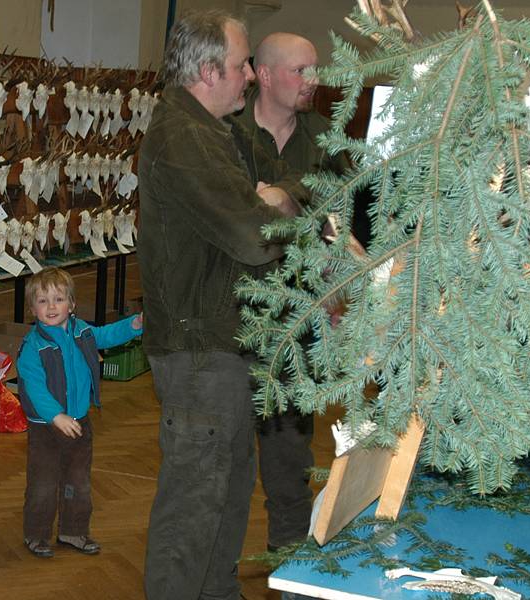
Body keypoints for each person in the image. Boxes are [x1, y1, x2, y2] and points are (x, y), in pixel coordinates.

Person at [137, 10, 307, 600]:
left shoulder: (215, 132)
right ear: (209, 71)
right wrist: (277, 210)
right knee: (192, 510)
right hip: (198, 351)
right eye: (241, 68)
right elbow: (252, 238)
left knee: (228, 496)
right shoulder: (183, 138)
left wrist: (278, 201)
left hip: (226, 345)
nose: (249, 79)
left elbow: (284, 191)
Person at [231, 32, 350, 551]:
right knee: (223, 472)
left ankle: (289, 576)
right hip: (227, 324)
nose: (313, 80)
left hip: (297, 331)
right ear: (265, 72)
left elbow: (342, 228)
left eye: (315, 69)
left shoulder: (328, 141)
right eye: (302, 70)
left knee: (288, 472)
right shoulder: (223, 135)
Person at [16, 266, 143, 559]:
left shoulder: (82, 331)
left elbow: (107, 334)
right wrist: (56, 416)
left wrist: (133, 325)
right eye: (42, 301)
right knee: (43, 485)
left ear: (72, 305)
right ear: (32, 308)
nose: (51, 307)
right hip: (46, 428)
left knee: (79, 482)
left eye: (58, 299)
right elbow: (34, 389)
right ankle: (36, 534)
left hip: (79, 422)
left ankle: (73, 531)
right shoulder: (32, 348)